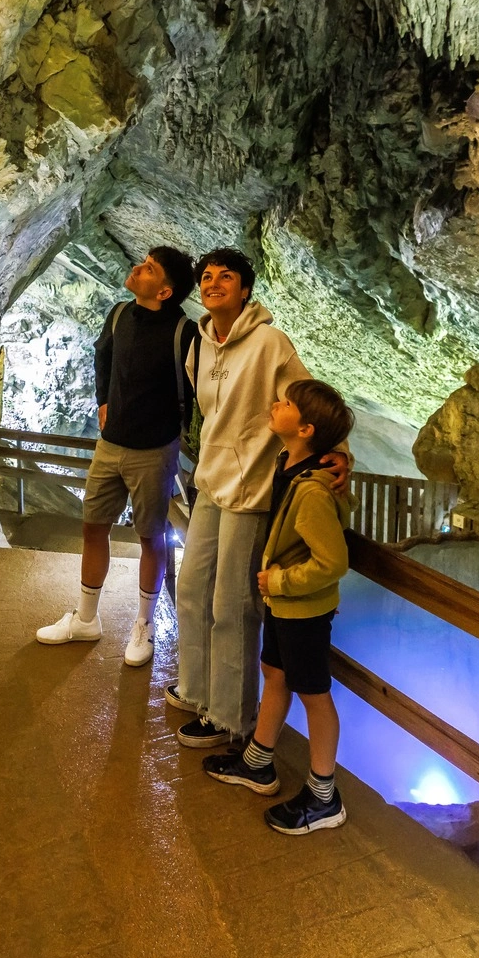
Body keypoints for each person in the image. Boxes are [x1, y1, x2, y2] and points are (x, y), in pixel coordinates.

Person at [169, 248, 347, 749]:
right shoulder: (199, 346)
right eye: (206, 276)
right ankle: (198, 688)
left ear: (245, 290)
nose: (213, 283)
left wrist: (337, 451)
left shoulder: (270, 343)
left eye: (226, 277)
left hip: (251, 490)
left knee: (232, 606)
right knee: (191, 590)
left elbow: (309, 399)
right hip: (210, 481)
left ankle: (229, 717)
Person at [35, 246, 200, 666]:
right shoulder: (120, 314)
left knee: (151, 538)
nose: (137, 269)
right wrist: (102, 400)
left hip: (154, 452)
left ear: (164, 291)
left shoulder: (185, 333)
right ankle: (87, 619)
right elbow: (102, 356)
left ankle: (143, 626)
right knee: (93, 527)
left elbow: (199, 394)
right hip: (110, 445)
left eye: (148, 269)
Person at [203, 379, 354, 834]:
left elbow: (333, 562)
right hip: (285, 605)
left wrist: (282, 581)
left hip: (303, 608)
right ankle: (258, 761)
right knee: (276, 674)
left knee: (315, 695)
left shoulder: (311, 490)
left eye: (285, 404)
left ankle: (325, 796)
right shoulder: (287, 463)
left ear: (305, 428)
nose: (275, 404)